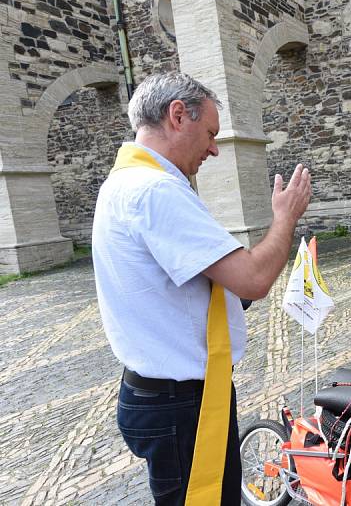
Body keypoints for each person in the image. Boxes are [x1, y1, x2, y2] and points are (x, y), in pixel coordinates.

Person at [92, 71, 311, 505]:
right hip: (179, 405)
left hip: (159, 395)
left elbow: (197, 286)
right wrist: (285, 219)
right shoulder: (155, 190)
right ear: (178, 116)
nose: (214, 148)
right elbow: (252, 278)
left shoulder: (126, 181)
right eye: (210, 133)